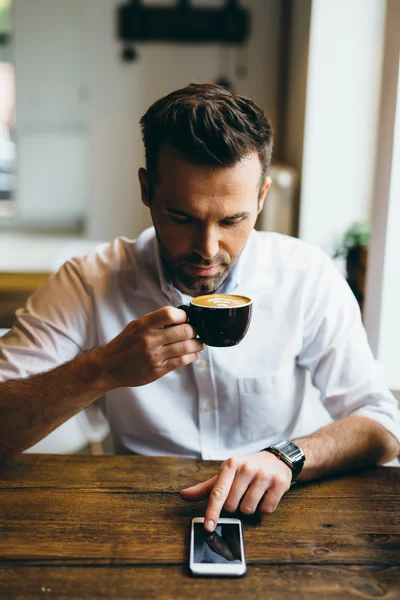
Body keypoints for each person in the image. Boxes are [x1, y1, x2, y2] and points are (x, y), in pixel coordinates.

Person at [0, 83, 399, 534]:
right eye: (182, 217)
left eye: (232, 220)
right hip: (137, 516)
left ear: (262, 197)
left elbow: (382, 425)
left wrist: (287, 457)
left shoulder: (305, 277)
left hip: (284, 514)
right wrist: (102, 369)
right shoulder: (88, 282)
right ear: (147, 189)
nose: (207, 250)